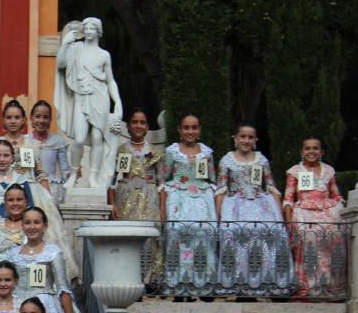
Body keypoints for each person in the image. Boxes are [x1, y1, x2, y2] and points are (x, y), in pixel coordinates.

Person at [216, 121, 293, 296]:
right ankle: (239, 284)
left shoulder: (261, 160)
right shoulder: (227, 160)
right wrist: (219, 215)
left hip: (260, 203)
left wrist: (279, 216)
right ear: (235, 138)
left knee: (269, 234)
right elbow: (221, 188)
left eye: (250, 137)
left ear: (255, 139)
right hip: (235, 204)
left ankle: (266, 283)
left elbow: (271, 185)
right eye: (242, 136)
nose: (246, 140)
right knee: (234, 236)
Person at [0, 206, 88, 313]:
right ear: (22, 225)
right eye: (27, 222)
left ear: (45, 225)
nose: (32, 227)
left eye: (36, 222)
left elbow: (63, 288)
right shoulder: (13, 254)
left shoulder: (53, 252)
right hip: (18, 307)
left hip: (46, 306)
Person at [54, 17, 123, 189]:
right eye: (87, 28)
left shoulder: (104, 55)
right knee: (78, 139)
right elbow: (61, 64)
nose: (89, 30)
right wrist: (65, 44)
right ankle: (74, 173)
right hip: (81, 97)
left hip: (100, 98)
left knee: (98, 138)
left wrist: (118, 102)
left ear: (98, 31)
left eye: (93, 28)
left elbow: (110, 81)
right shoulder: (76, 48)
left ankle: (93, 177)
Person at [160, 113, 217, 296]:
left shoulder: (207, 153)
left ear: (199, 130)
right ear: (179, 130)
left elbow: (212, 178)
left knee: (203, 235)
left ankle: (202, 283)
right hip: (178, 198)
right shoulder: (172, 151)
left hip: (201, 198)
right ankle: (178, 283)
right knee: (177, 234)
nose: (190, 131)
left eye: (194, 127)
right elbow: (164, 177)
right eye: (186, 127)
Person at [283, 137, 346, 299]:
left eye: (315, 148)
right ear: (302, 152)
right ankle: (308, 287)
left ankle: (331, 285)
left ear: (321, 152)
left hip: (327, 211)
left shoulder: (329, 171)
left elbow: (336, 194)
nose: (311, 151)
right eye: (308, 148)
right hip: (304, 211)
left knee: (334, 239)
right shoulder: (295, 171)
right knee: (309, 242)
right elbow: (288, 198)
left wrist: (343, 209)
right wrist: (290, 222)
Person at [110, 109, 163, 283]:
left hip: (149, 197)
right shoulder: (122, 150)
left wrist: (162, 208)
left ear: (147, 126)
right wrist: (113, 205)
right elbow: (112, 179)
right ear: (128, 126)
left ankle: (150, 279)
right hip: (126, 198)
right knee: (128, 236)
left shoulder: (155, 152)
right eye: (134, 122)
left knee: (150, 238)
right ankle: (127, 276)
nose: (138, 126)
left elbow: (162, 183)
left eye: (142, 122)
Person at [29, 101, 73, 205]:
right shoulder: (25, 142)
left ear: (50, 120)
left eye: (45, 117)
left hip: (52, 190)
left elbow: (65, 170)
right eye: (37, 116)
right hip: (31, 189)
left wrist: (72, 174)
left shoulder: (58, 142)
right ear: (31, 118)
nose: (41, 120)